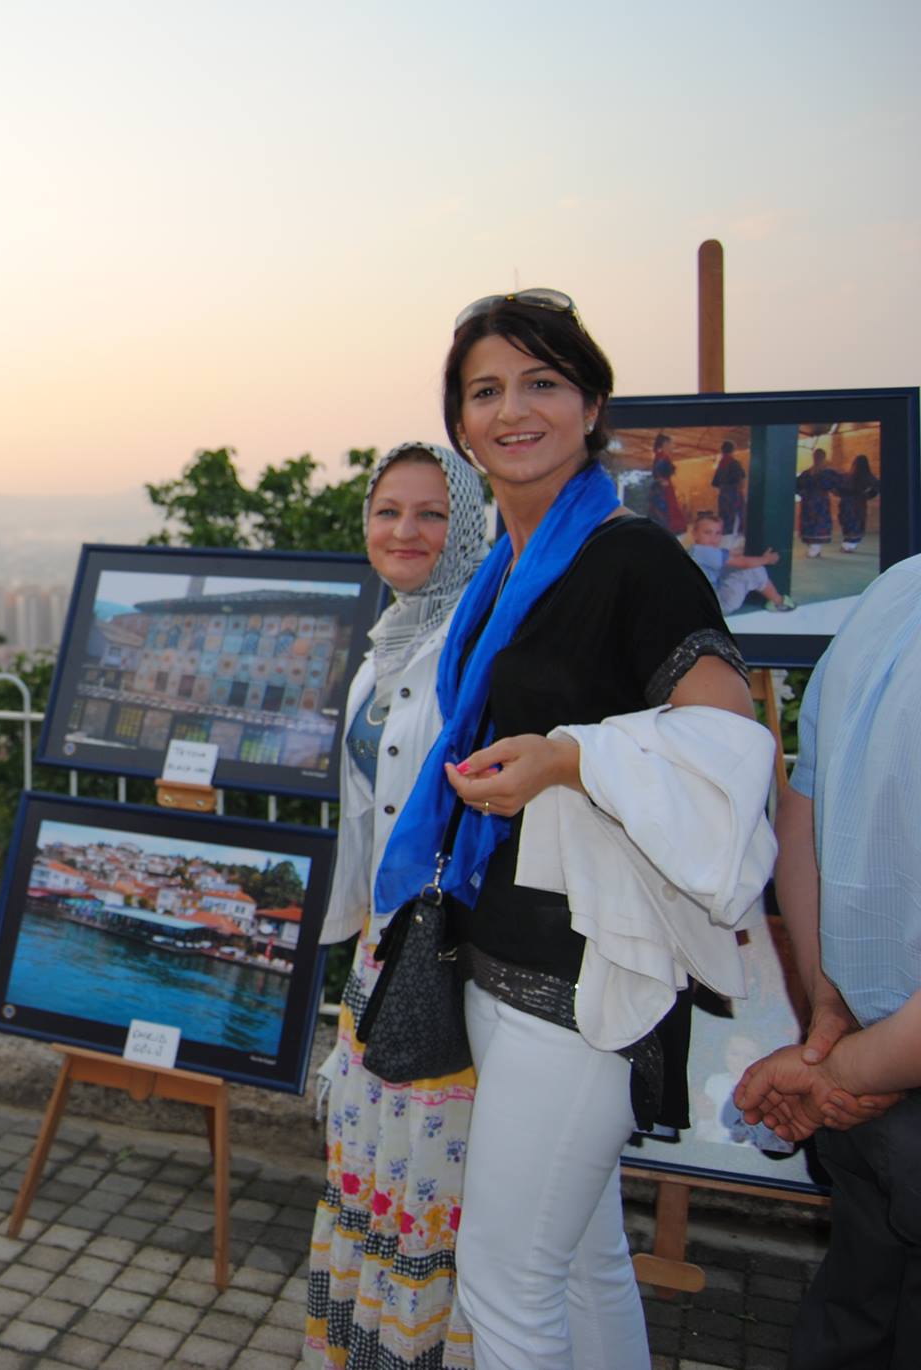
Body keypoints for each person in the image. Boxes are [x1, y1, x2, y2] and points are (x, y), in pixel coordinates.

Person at [375, 288, 777, 1369]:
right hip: (496, 949)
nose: (513, 410)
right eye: (485, 391)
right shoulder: (500, 573)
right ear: (462, 426)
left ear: (592, 405)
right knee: (583, 1261)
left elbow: (729, 744)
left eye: (541, 382)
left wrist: (570, 758)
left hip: (586, 973)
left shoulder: (633, 559)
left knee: (504, 1285)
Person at [306, 441, 486, 1370]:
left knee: (428, 1193)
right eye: (387, 511)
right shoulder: (388, 644)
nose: (404, 531)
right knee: (373, 1177)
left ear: (470, 525)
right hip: (379, 956)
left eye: (431, 513)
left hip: (445, 968)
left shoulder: (479, 641)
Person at [734, 553, 920, 1369]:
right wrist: (842, 1059)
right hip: (870, 1077)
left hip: (862, 1083)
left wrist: (829, 1022)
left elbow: (803, 814)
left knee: (851, 1326)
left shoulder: (893, 594)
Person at [687, 512, 793, 613]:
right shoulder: (703, 551)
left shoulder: (694, 550)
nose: (713, 538)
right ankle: (778, 602)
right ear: (694, 534)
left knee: (733, 566)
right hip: (718, 605)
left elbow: (730, 554)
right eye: (707, 532)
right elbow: (743, 563)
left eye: (718, 533)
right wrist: (766, 559)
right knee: (753, 569)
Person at [797, 446, 843, 557]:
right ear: (824, 458)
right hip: (821, 502)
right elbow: (838, 484)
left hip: (808, 502)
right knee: (819, 523)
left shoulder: (806, 473)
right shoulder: (827, 473)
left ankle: (813, 549)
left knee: (810, 523)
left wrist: (804, 494)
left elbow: (797, 486)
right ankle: (814, 550)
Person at [647, 431, 687, 534]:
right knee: (665, 508)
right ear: (665, 444)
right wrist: (662, 480)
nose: (673, 446)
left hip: (663, 485)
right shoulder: (662, 456)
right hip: (663, 487)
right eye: (671, 443)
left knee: (666, 509)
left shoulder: (661, 456)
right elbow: (657, 472)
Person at [838, 453, 879, 552]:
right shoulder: (868, 477)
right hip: (858, 503)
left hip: (846, 503)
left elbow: (838, 488)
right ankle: (849, 545)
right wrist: (866, 495)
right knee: (857, 522)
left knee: (848, 522)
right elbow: (876, 488)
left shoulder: (847, 476)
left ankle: (848, 544)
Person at [711, 439, 747, 537]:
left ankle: (724, 538)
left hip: (723, 495)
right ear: (733, 450)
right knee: (737, 518)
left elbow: (715, 483)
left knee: (724, 518)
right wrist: (741, 490)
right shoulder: (735, 463)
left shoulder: (720, 465)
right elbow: (741, 479)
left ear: (722, 450)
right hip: (734, 494)